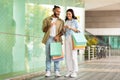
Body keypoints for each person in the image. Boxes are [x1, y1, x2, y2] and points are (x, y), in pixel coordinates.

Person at [42, 5, 64, 77]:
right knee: (48, 56)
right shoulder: (47, 19)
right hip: (48, 38)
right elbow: (43, 30)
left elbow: (63, 31)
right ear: (53, 10)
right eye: (57, 11)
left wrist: (58, 36)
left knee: (56, 56)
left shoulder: (61, 21)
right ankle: (48, 71)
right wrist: (50, 26)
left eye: (59, 12)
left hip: (56, 39)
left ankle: (57, 71)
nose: (58, 13)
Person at [64, 9, 80, 78]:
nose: (68, 15)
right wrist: (63, 29)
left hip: (73, 39)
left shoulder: (75, 21)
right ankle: (69, 70)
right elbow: (64, 32)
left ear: (72, 14)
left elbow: (78, 30)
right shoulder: (66, 21)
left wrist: (70, 27)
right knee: (67, 55)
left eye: (69, 14)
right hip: (67, 38)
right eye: (67, 14)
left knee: (73, 56)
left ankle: (74, 71)